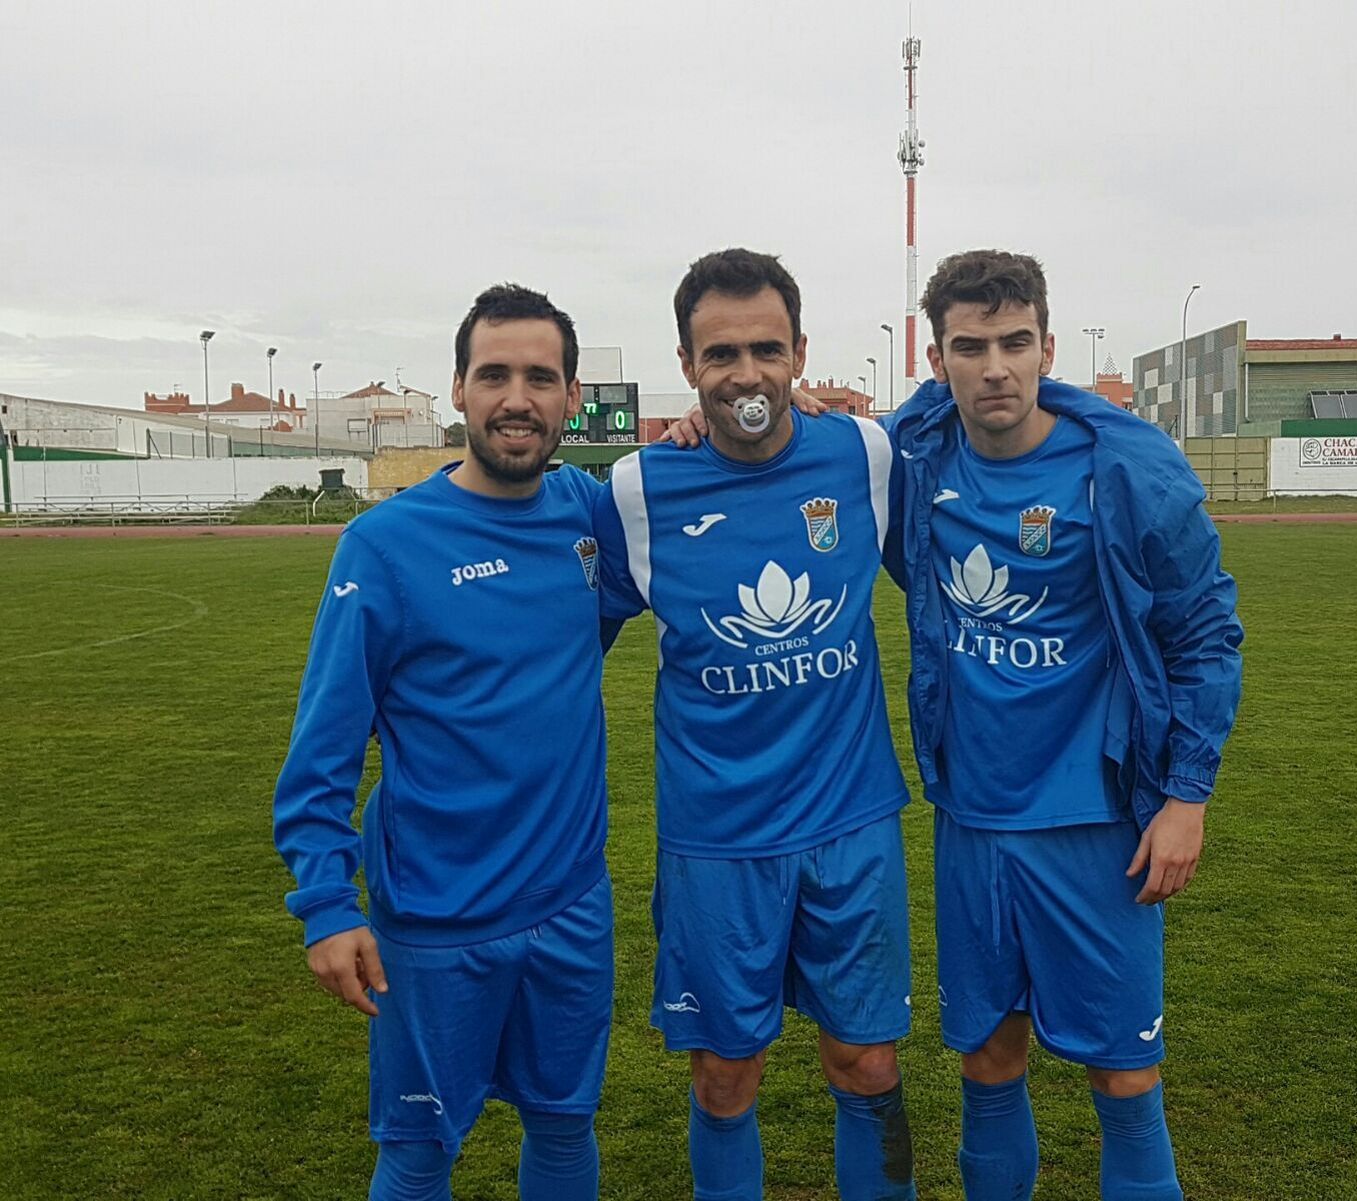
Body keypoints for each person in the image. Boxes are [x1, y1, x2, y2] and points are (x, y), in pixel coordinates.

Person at [881, 249, 1244, 1201]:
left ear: (1046, 343)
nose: (994, 366)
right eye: (970, 346)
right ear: (937, 354)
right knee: (988, 1060)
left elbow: (1206, 632)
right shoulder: (918, 462)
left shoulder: (1124, 467)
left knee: (1123, 1074)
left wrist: (1187, 798)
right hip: (974, 820)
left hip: (1096, 826)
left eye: (1014, 342)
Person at [273, 283, 614, 1201]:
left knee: (564, 1122)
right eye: (494, 373)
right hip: (435, 923)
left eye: (541, 377)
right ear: (459, 389)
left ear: (572, 398)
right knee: (421, 1150)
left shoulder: (590, 516)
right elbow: (322, 752)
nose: (518, 397)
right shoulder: (383, 545)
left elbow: (711, 484)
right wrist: (326, 905)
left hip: (573, 901)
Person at [593, 248, 917, 1201]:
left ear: (801, 354)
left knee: (867, 1063)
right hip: (717, 841)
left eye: (767, 349)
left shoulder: (865, 452)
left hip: (850, 823)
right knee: (724, 1075)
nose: (747, 374)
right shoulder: (636, 491)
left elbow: (998, 417)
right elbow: (561, 632)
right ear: (688, 366)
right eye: (722, 353)